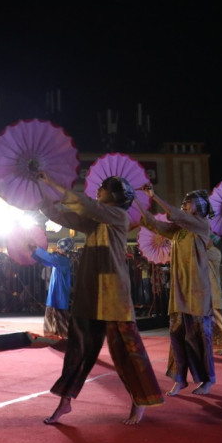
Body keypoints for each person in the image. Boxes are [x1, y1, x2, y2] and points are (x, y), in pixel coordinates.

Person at [37, 171, 164, 425]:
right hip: (90, 290)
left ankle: (140, 398)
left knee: (127, 351)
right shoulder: (94, 220)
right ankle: (65, 401)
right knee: (78, 349)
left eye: (104, 187)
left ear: (117, 195)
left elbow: (87, 205)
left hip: (114, 292)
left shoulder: (118, 215)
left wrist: (51, 180)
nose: (98, 190)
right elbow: (61, 215)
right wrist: (41, 195)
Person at [141, 186, 216, 396]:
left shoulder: (201, 225)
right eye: (183, 202)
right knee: (176, 333)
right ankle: (180, 378)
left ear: (199, 206)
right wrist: (136, 203)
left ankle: (207, 379)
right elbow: (155, 224)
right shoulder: (179, 230)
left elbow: (177, 215)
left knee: (200, 335)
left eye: (188, 202)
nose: (184, 205)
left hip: (197, 290)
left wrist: (154, 196)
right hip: (180, 288)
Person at [29, 236, 74, 341]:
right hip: (56, 292)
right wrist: (34, 254)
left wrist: (37, 249)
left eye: (59, 247)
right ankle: (52, 335)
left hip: (60, 293)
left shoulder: (62, 261)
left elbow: (49, 257)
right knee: (52, 312)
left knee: (60, 314)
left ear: (63, 249)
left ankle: (64, 335)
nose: (57, 249)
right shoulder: (59, 260)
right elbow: (46, 261)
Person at [206, 235, 222, 354]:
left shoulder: (214, 252)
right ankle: (209, 344)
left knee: (218, 318)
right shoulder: (205, 252)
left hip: (213, 290)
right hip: (204, 291)